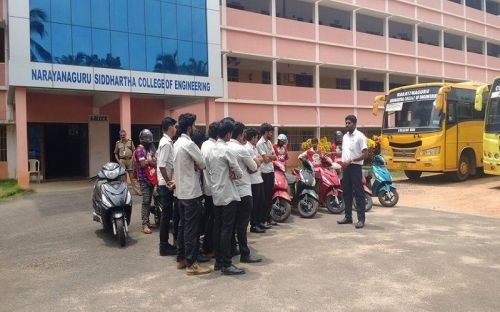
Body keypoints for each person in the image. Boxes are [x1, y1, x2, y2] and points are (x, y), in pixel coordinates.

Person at [173, 113, 211, 275]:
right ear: (189, 127)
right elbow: (202, 163)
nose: (195, 128)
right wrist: (196, 164)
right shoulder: (189, 144)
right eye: (194, 126)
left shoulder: (177, 143)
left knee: (183, 227)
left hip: (181, 192)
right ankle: (192, 264)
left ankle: (181, 258)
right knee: (192, 230)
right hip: (191, 192)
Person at [206, 119, 245, 275]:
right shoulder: (226, 150)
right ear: (228, 133)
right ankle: (226, 263)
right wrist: (232, 173)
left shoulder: (211, 149)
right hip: (228, 193)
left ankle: (218, 261)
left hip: (216, 192)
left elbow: (208, 169)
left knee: (218, 227)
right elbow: (240, 172)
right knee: (227, 230)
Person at [227, 122, 263, 264]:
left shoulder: (226, 146)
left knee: (231, 223)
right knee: (242, 225)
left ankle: (232, 248)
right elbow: (254, 167)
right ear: (241, 133)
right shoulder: (241, 149)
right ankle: (244, 253)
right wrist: (256, 162)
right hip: (243, 190)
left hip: (231, 190)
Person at [337, 115, 369, 229]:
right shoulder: (345, 136)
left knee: (359, 193)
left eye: (349, 123)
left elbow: (365, 154)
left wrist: (351, 160)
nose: (347, 125)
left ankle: (361, 219)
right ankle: (348, 217)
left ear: (355, 124)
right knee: (346, 193)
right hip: (346, 169)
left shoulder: (360, 136)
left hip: (355, 168)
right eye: (346, 123)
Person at [157, 117, 177, 256]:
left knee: (168, 214)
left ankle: (166, 244)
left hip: (166, 182)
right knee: (166, 215)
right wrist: (169, 181)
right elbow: (162, 165)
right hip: (166, 184)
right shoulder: (166, 143)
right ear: (170, 127)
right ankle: (163, 245)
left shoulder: (167, 142)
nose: (175, 129)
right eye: (174, 126)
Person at [200, 122, 219, 257]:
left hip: (207, 187)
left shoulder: (205, 144)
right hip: (214, 188)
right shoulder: (214, 147)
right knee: (214, 220)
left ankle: (208, 246)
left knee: (209, 218)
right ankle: (210, 247)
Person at [133, 129, 157, 234]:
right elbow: (143, 164)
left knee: (150, 201)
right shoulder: (139, 149)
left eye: (149, 137)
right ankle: (144, 224)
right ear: (142, 138)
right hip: (143, 179)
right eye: (146, 138)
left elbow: (156, 162)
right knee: (146, 201)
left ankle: (147, 221)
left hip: (151, 178)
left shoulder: (151, 148)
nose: (148, 139)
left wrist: (149, 161)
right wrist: (150, 161)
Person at [245, 128, 267, 234]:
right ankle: (254, 225)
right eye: (256, 137)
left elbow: (260, 159)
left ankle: (258, 222)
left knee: (261, 202)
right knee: (255, 204)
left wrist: (259, 160)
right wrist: (259, 160)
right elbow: (256, 163)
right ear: (252, 137)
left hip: (258, 178)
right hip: (253, 181)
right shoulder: (248, 148)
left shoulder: (254, 147)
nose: (257, 139)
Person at [256, 123, 278, 228]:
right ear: (265, 132)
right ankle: (263, 219)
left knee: (270, 197)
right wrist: (270, 157)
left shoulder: (269, 142)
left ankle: (268, 218)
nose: (271, 134)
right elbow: (265, 160)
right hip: (264, 173)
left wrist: (269, 156)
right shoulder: (260, 143)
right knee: (264, 198)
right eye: (270, 132)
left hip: (271, 171)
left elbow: (275, 157)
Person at [114, 129, 140, 195]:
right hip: (122, 161)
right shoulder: (118, 143)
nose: (122, 136)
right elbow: (115, 153)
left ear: (126, 135)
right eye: (121, 135)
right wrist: (118, 160)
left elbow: (134, 151)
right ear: (119, 136)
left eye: (123, 135)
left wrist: (132, 159)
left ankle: (138, 191)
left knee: (132, 177)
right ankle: (125, 192)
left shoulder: (130, 142)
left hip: (129, 160)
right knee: (123, 177)